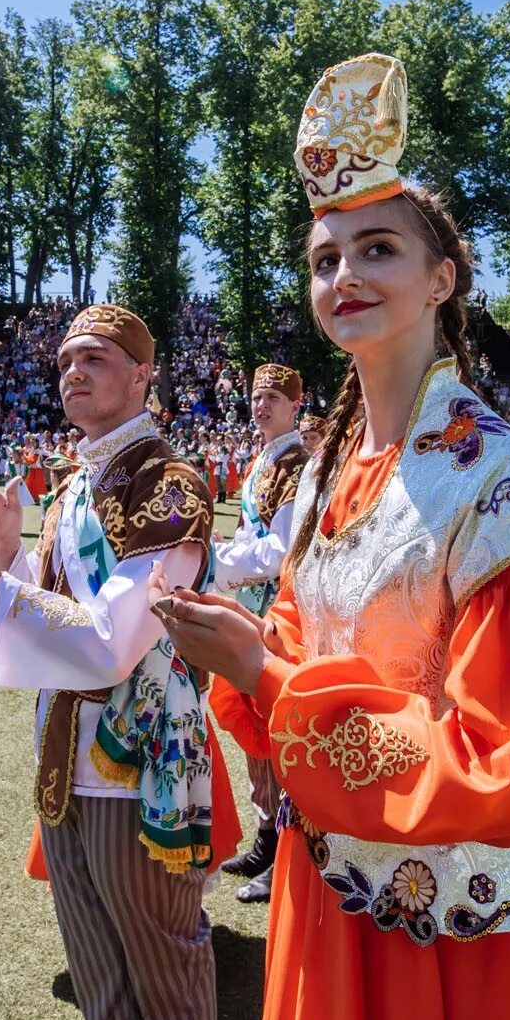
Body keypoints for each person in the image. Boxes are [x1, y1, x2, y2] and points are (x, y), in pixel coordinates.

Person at [155, 53, 510, 1020]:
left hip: (447, 913)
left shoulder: (498, 477)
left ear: (442, 278)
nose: (344, 277)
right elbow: (296, 614)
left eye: (377, 250)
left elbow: (494, 763)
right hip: (328, 872)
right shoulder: (335, 455)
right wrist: (243, 640)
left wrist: (269, 685)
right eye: (324, 260)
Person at [0, 303, 237, 1020]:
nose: (74, 374)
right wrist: (7, 553)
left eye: (94, 357)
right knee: (95, 961)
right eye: (63, 363)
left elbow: (108, 646)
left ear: (143, 373)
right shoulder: (73, 488)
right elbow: (51, 620)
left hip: (139, 762)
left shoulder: (170, 483)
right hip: (61, 756)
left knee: (165, 963)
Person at [209, 363, 311, 905]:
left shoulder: (297, 464)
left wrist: (220, 561)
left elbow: (280, 552)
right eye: (255, 396)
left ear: (296, 405)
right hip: (251, 607)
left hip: (278, 616)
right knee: (252, 729)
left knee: (275, 730)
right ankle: (266, 835)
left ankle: (283, 853)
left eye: (273, 396)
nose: (261, 405)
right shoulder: (264, 460)